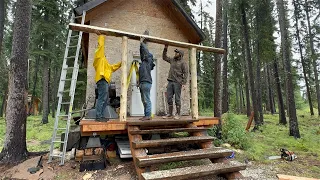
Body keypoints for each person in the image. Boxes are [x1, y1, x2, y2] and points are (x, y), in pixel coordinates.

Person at [93, 32, 122, 122]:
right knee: (102, 98)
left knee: (105, 100)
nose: (105, 55)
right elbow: (101, 46)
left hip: (105, 81)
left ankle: (100, 116)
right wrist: (101, 36)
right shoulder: (99, 58)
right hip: (102, 80)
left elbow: (112, 67)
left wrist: (121, 63)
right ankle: (98, 116)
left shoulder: (105, 63)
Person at [162, 45, 188, 120]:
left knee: (177, 99)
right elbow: (164, 57)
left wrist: (184, 83)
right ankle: (170, 114)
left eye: (176, 53)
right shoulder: (172, 60)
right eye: (175, 52)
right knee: (169, 97)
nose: (175, 54)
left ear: (180, 54)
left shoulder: (183, 63)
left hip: (178, 82)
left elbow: (186, 73)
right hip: (170, 81)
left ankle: (178, 114)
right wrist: (165, 49)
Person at [138, 30, 155, 121]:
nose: (144, 55)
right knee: (144, 100)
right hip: (142, 83)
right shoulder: (144, 62)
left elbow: (145, 51)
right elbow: (142, 52)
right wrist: (141, 43)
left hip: (146, 83)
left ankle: (148, 115)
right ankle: (146, 115)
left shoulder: (148, 61)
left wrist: (142, 42)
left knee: (146, 99)